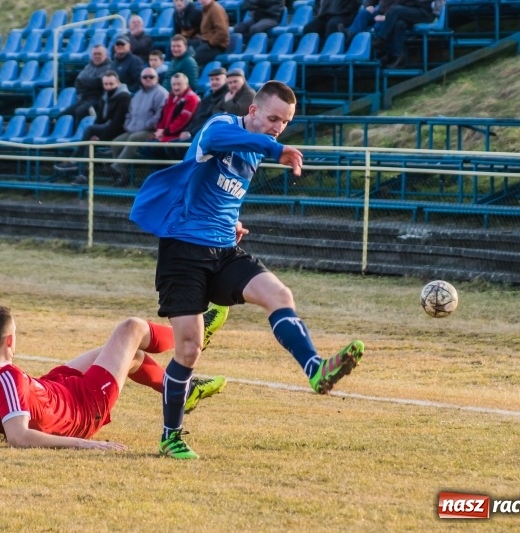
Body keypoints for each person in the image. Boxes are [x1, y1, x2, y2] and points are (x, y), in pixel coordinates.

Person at [130, 81, 365, 459]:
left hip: (224, 250)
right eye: (273, 118)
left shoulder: (257, 148)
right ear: (252, 110)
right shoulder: (221, 126)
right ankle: (170, 436)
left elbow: (223, 192)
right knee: (188, 348)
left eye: (285, 123)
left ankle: (315, 369)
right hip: (183, 251)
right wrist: (276, 149)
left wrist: (233, 222)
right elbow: (222, 141)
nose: (277, 128)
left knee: (279, 295)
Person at [0, 305, 228, 449]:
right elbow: (19, 437)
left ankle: (186, 392)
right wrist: (85, 444)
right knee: (131, 329)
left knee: (129, 355)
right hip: (80, 409)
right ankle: (194, 332)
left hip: (54, 387)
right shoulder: (8, 378)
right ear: (10, 341)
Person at [55, 71, 131, 183]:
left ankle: (74, 161)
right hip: (109, 129)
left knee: (90, 130)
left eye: (111, 84)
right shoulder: (105, 96)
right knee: (90, 139)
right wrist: (97, 134)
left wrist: (100, 136)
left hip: (121, 130)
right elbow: (99, 119)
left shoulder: (124, 97)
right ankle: (83, 174)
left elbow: (118, 122)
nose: (108, 87)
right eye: (106, 84)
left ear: (118, 83)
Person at [109, 67, 169, 186]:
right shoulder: (138, 94)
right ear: (141, 79)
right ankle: (123, 176)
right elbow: (129, 113)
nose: (148, 79)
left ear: (157, 78)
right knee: (115, 143)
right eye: (145, 77)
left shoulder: (161, 93)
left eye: (151, 77)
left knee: (134, 138)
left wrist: (146, 125)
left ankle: (117, 166)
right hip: (133, 129)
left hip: (151, 131)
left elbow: (159, 114)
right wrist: (128, 125)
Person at [162, 66, 229, 160]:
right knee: (170, 146)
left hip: (207, 135)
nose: (214, 82)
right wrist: (187, 131)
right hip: (196, 133)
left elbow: (211, 120)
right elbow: (196, 118)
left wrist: (191, 132)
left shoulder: (227, 97)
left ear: (225, 80)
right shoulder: (208, 98)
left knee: (176, 147)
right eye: (212, 79)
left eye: (217, 79)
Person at [372, 0, 435, 68]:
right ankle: (397, 56)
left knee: (395, 10)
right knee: (399, 24)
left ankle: (381, 40)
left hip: (425, 12)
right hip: (412, 10)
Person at [62, 44, 112, 127]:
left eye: (99, 54)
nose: (97, 56)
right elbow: (77, 82)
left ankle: (80, 134)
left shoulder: (110, 67)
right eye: (95, 54)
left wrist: (86, 83)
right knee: (64, 114)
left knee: (80, 112)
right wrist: (91, 84)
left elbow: (99, 83)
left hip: (100, 99)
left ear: (105, 55)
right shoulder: (89, 66)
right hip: (84, 98)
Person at [154, 73, 200, 143]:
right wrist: (160, 129)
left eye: (179, 84)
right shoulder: (171, 97)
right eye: (174, 84)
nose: (176, 87)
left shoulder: (191, 98)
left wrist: (164, 132)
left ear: (186, 84)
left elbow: (182, 120)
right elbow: (163, 116)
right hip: (166, 135)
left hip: (177, 136)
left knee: (151, 145)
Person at [189, 0, 230, 68]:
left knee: (191, 61)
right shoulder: (206, 9)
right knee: (186, 46)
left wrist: (211, 43)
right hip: (205, 42)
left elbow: (222, 31)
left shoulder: (216, 9)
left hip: (216, 46)